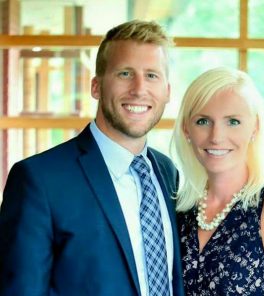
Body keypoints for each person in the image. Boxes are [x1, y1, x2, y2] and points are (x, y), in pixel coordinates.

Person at [0, 20, 184, 296]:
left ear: (167, 91)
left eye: (152, 76)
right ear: (96, 86)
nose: (139, 88)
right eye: (124, 73)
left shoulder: (167, 172)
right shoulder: (39, 180)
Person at [172, 67, 264, 295]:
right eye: (203, 121)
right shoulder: (177, 209)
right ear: (186, 129)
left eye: (233, 121)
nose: (216, 137)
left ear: (255, 127)